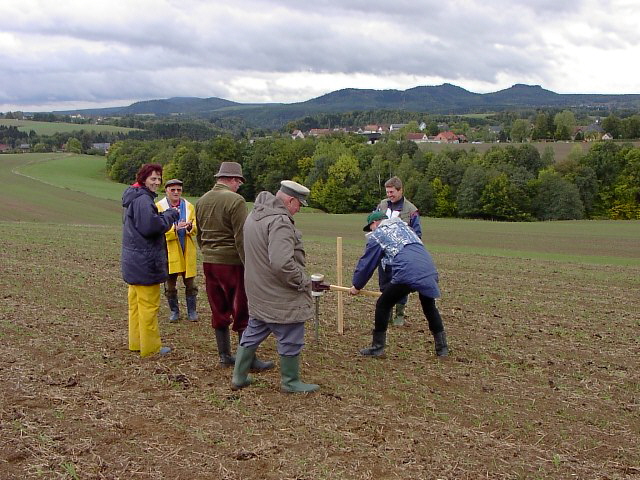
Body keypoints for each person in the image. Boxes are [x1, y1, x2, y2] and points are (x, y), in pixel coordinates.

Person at [232, 180, 319, 393]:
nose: (299, 210)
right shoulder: (279, 221)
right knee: (291, 333)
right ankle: (290, 382)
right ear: (290, 200)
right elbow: (282, 263)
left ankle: (239, 377)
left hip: (258, 290)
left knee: (254, 331)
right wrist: (303, 281)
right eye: (299, 204)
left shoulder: (255, 215)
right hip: (280, 294)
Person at [196, 162, 272, 371]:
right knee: (241, 310)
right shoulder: (236, 201)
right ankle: (247, 359)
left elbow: (199, 235)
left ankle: (224, 355)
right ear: (232, 180)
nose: (239, 185)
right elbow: (242, 237)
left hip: (210, 262)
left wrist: (209, 252)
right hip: (232, 263)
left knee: (218, 308)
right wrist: (250, 265)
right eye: (239, 181)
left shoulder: (201, 200)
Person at [349, 211, 449, 358]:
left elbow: (367, 263)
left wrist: (356, 285)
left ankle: (377, 348)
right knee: (428, 305)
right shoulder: (405, 228)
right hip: (428, 268)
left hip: (408, 270)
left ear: (374, 223)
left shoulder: (379, 234)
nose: (371, 231)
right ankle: (442, 348)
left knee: (383, 304)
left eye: (370, 227)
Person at [121, 163, 180, 357]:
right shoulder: (143, 200)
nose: (156, 182)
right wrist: (170, 214)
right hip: (145, 263)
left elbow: (145, 223)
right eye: (153, 178)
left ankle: (136, 343)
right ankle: (151, 348)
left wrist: (161, 215)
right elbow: (150, 227)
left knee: (136, 306)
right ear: (143, 179)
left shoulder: (133, 197)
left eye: (158, 178)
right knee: (149, 307)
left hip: (133, 261)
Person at [374, 176, 422, 326]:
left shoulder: (411, 210)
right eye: (387, 192)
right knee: (385, 285)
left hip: (402, 256)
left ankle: (400, 314)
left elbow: (417, 233)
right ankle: (386, 312)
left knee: (401, 285)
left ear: (400, 190)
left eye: (392, 192)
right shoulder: (382, 205)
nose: (389, 195)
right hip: (384, 255)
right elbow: (373, 222)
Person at [156, 178, 199, 322]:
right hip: (168, 251)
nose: (176, 192)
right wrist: (174, 228)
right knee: (170, 285)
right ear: (166, 190)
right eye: (172, 190)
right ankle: (174, 311)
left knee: (191, 284)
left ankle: (192, 311)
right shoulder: (159, 207)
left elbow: (195, 228)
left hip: (186, 248)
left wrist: (188, 227)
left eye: (178, 190)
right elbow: (157, 230)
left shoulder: (189, 207)